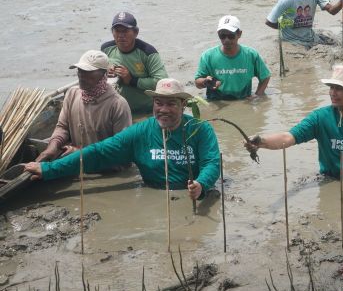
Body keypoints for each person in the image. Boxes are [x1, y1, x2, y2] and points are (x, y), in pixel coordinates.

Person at [24, 79, 220, 200]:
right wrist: (49, 169)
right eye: (158, 103)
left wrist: (201, 185)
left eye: (171, 104)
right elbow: (97, 152)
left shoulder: (200, 129)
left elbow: (211, 163)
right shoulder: (139, 133)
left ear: (183, 104)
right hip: (154, 192)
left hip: (192, 195)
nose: (164, 110)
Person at [36, 50, 132, 162]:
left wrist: (80, 153)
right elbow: (62, 127)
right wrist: (52, 147)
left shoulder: (118, 104)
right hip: (77, 161)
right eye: (80, 70)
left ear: (103, 74)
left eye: (88, 72)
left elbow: (121, 149)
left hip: (104, 163)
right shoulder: (72, 94)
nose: (81, 75)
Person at [102, 11, 169, 114]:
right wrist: (106, 72)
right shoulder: (106, 49)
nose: (121, 35)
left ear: (136, 32)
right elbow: (95, 74)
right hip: (119, 110)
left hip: (146, 110)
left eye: (125, 31)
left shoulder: (148, 53)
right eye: (117, 31)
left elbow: (162, 82)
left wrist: (131, 80)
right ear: (112, 32)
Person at [194, 15, 271, 100]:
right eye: (222, 36)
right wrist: (205, 82)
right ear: (218, 35)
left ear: (239, 34)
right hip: (217, 101)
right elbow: (197, 83)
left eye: (230, 36)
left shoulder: (251, 55)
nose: (226, 40)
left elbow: (265, 76)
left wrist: (258, 95)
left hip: (243, 100)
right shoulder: (207, 56)